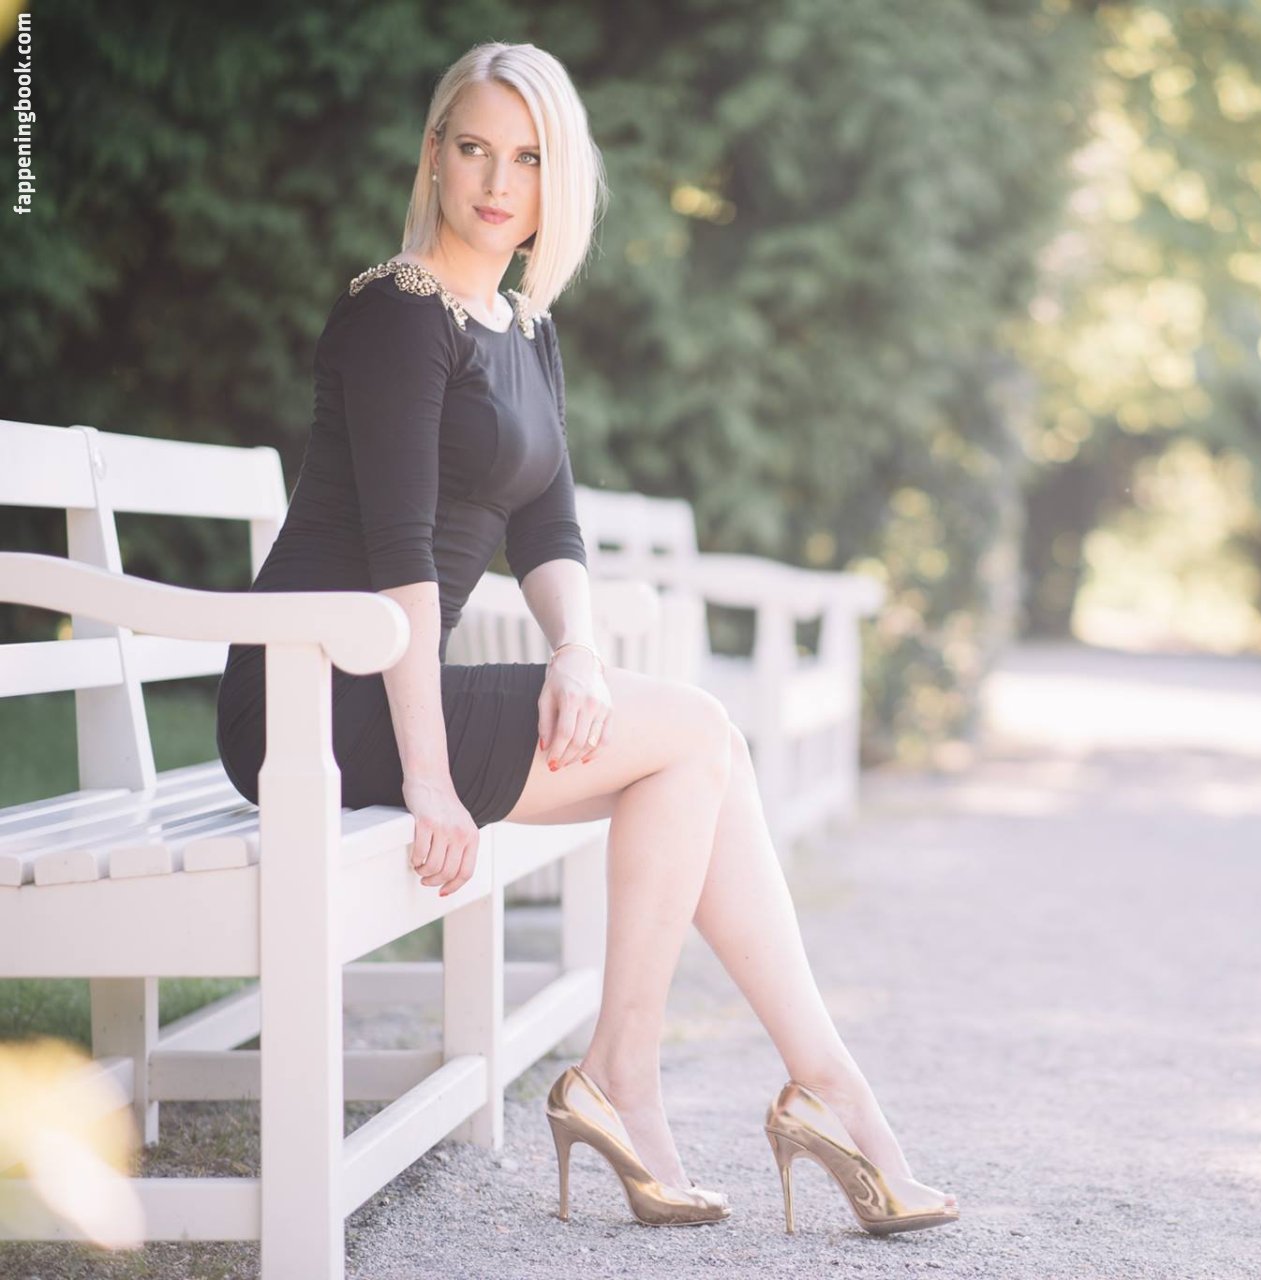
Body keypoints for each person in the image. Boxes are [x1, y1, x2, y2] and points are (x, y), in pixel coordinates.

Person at [213, 40, 957, 1236]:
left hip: (395, 682)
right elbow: (402, 552)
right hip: (314, 697)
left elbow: (548, 526)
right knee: (697, 737)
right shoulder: (396, 312)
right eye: (473, 148)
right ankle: (686, 1083)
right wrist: (429, 777)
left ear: (556, 181)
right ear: (434, 156)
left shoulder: (522, 327)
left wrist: (578, 653)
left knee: (693, 757)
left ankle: (746, 1081)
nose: (496, 181)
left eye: (527, 158)